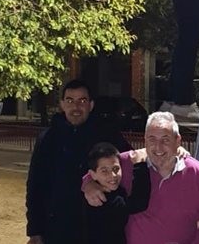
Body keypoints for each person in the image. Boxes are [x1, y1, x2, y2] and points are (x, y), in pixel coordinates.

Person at [84, 111, 199, 244]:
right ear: (145, 140)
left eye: (165, 140)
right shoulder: (127, 163)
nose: (158, 147)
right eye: (152, 139)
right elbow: (94, 172)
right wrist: (89, 184)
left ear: (177, 140)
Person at [25, 79, 132, 244]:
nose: (76, 107)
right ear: (62, 104)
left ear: (91, 105)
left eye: (82, 101)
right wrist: (35, 230)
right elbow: (35, 186)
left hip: (99, 229)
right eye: (70, 101)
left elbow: (131, 165)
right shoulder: (47, 139)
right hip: (58, 230)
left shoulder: (107, 134)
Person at [85, 142, 151, 244]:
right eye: (104, 171)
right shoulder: (106, 200)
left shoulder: (92, 192)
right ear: (93, 175)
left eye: (116, 169)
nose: (112, 175)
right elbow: (139, 203)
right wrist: (140, 165)